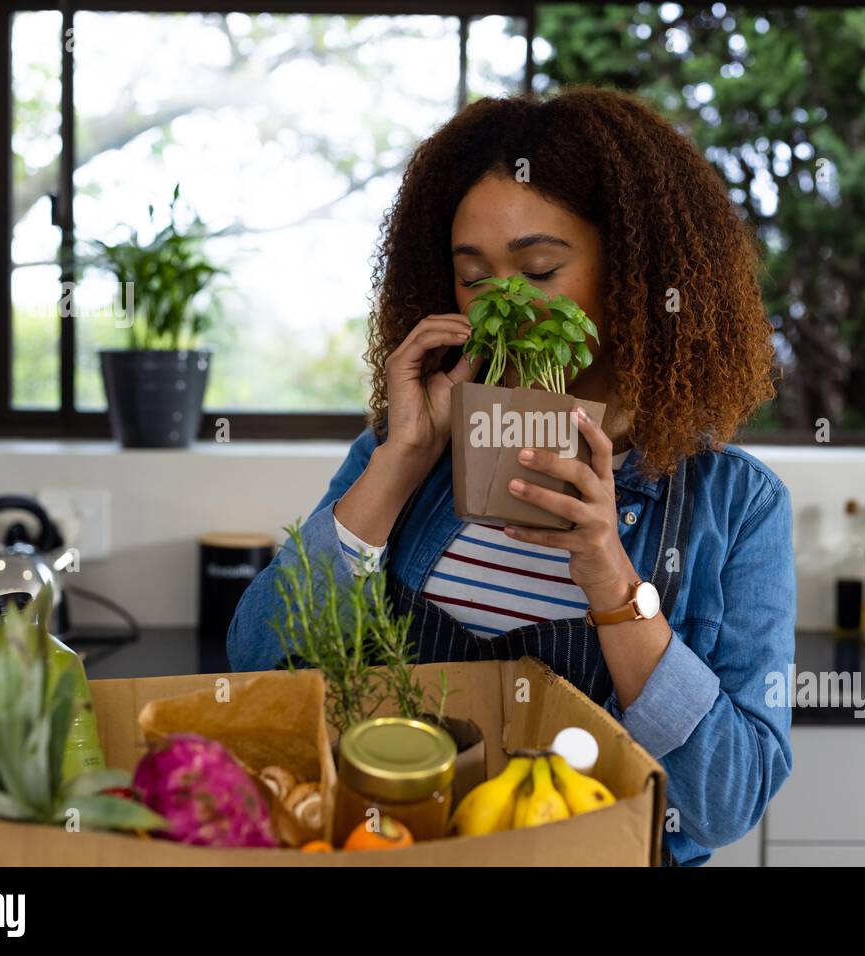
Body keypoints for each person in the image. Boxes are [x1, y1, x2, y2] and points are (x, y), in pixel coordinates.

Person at [229, 86, 795, 866]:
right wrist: (401, 461)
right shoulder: (404, 459)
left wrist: (612, 582)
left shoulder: (735, 505)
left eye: (538, 267)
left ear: (633, 272)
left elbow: (727, 801)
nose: (505, 304)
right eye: (474, 276)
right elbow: (257, 672)